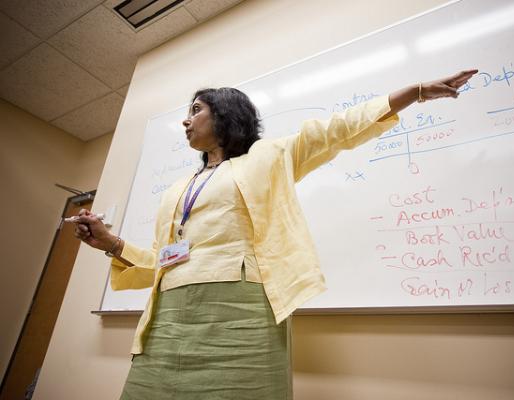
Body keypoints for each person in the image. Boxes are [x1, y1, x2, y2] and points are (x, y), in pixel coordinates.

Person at [75, 69, 478, 399]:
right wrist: (111, 242)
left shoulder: (266, 158)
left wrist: (415, 93)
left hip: (240, 310)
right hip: (168, 317)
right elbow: (164, 260)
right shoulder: (177, 189)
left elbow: (334, 132)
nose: (186, 119)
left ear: (224, 115)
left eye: (195, 110)